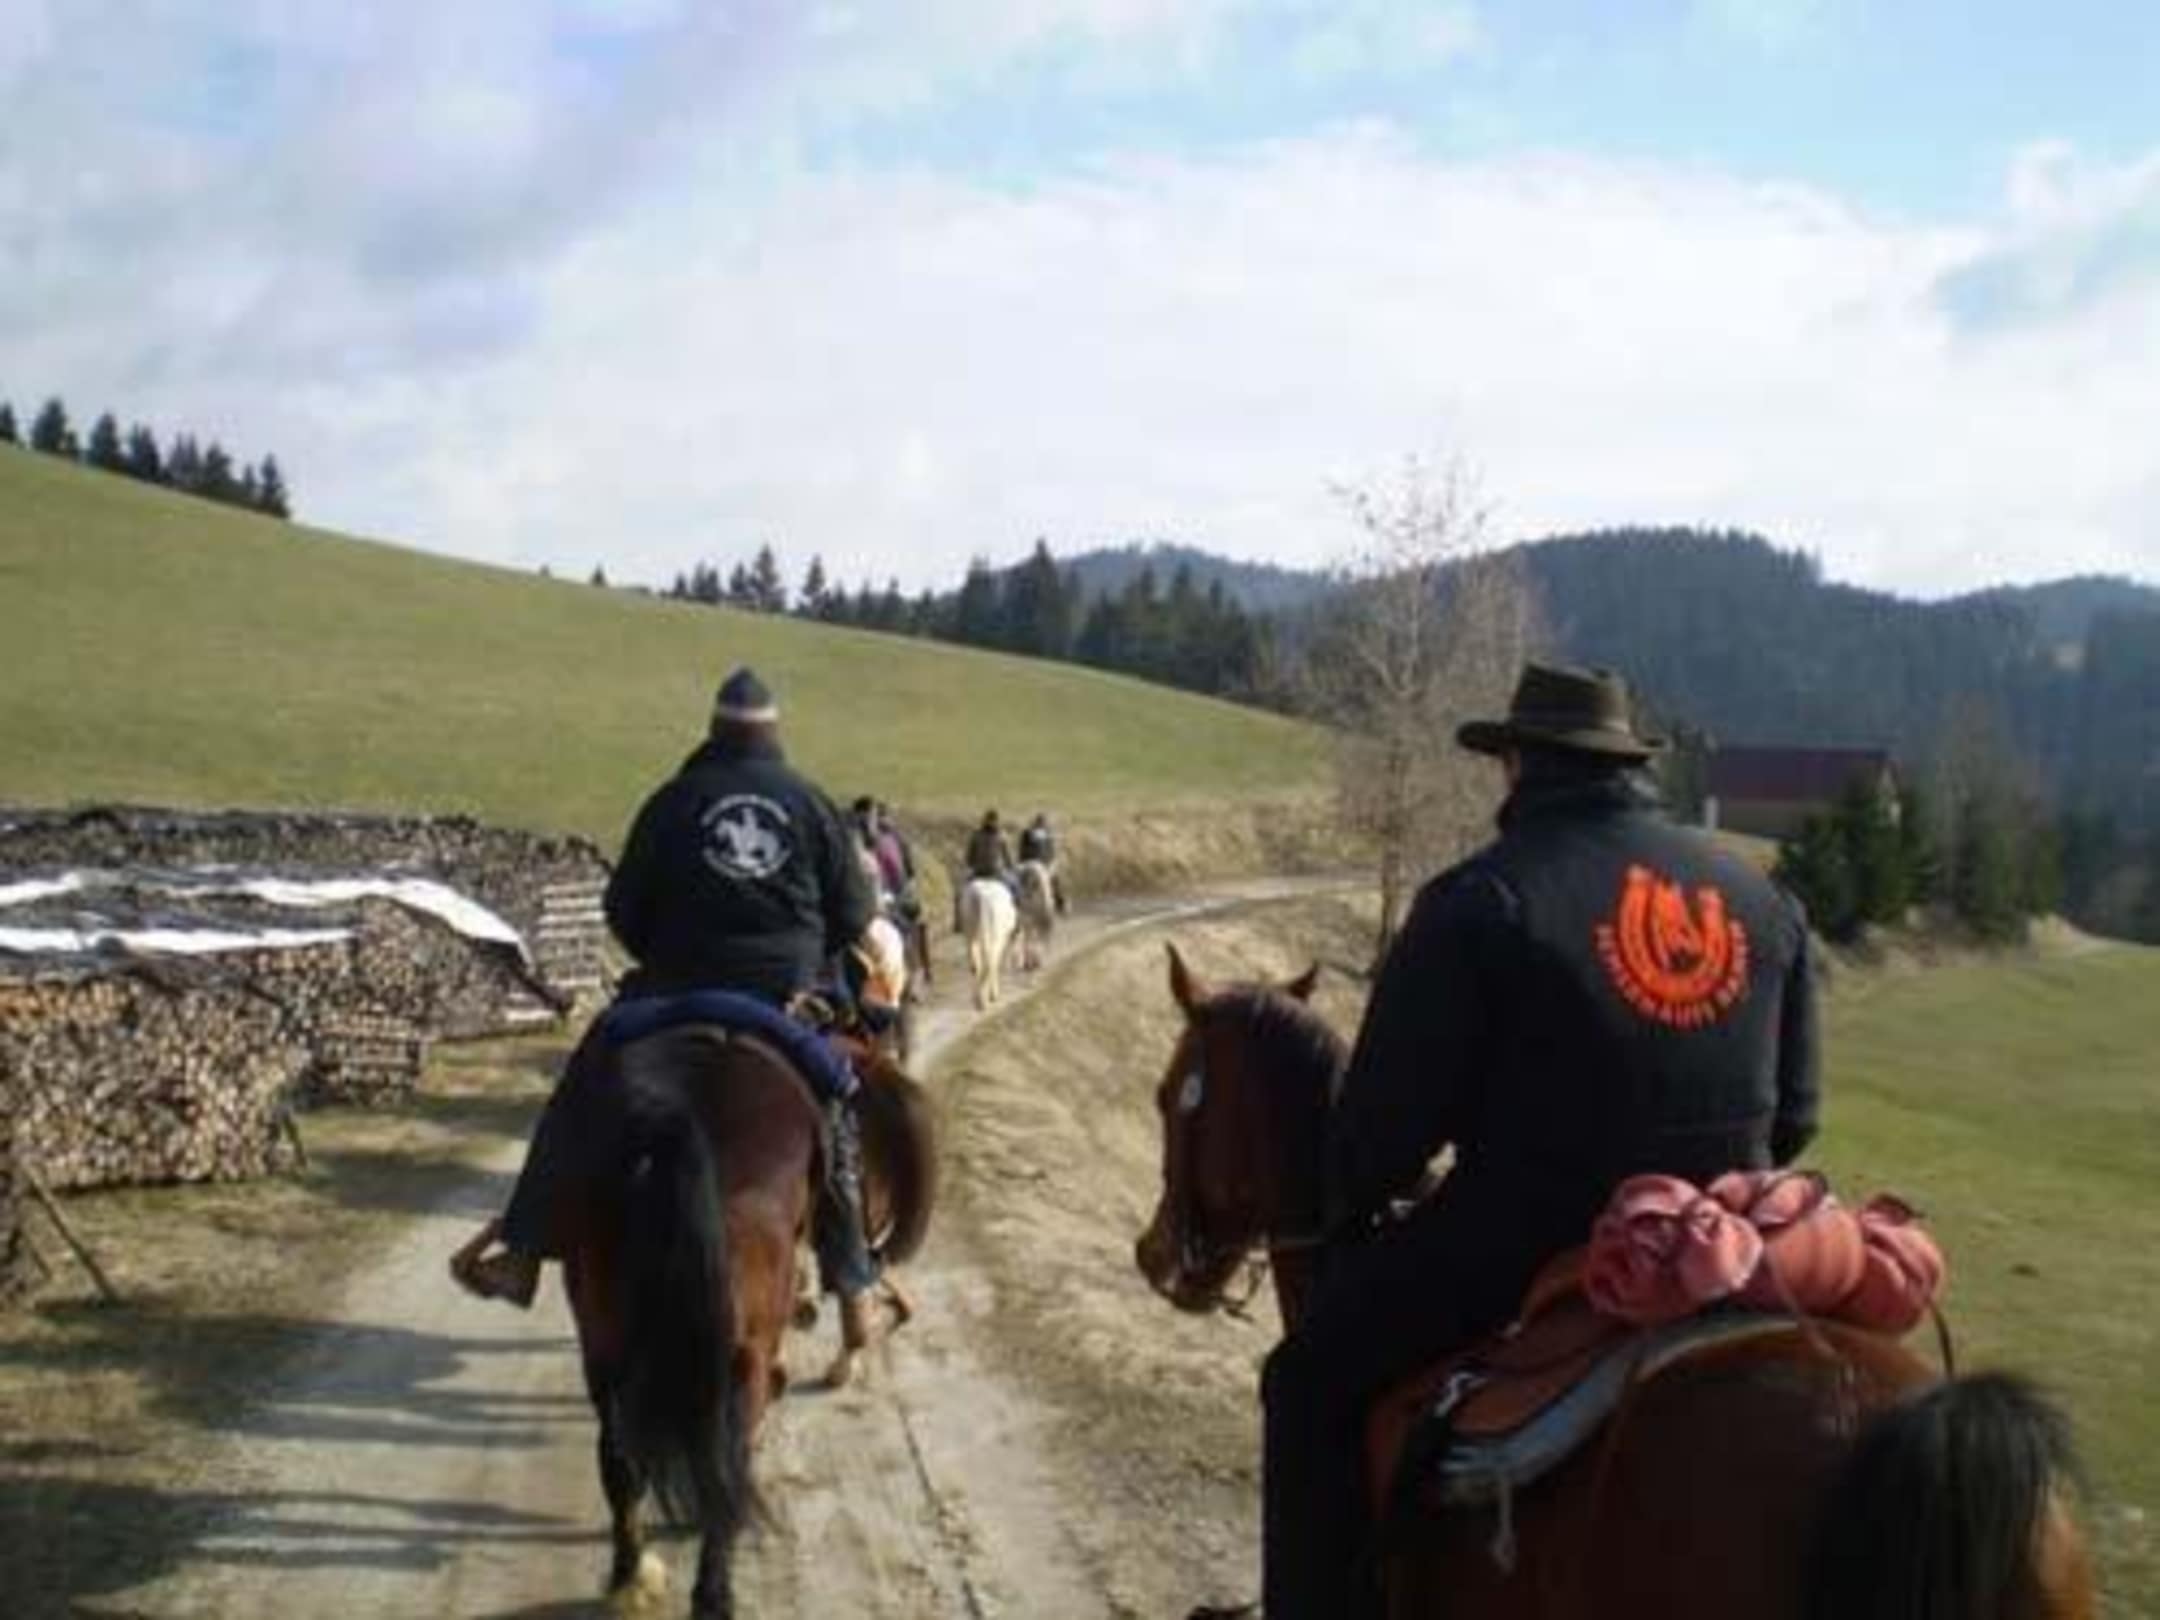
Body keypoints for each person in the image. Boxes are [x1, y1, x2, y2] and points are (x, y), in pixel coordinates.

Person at [1205, 662, 1819, 1620]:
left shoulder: (1480, 900)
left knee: (1305, 1382)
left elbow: (1380, 1142)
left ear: (1519, 764)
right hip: (1722, 1242)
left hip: (1523, 1243)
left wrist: (1353, 1201)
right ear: (1627, 766)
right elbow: (1795, 1119)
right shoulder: (1762, 901)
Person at [450, 667, 885, 1345]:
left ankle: (525, 1252)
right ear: (774, 736)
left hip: (674, 993)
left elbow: (623, 909)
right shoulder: (811, 804)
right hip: (783, 1001)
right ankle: (854, 1285)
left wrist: (668, 955)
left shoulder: (673, 800)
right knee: (837, 1112)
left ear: (712, 733)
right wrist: (802, 962)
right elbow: (856, 913)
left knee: (579, 1089)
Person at [1017, 811, 1068, 913]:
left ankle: (1018, 902)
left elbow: (1022, 851)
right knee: (1055, 881)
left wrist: (1021, 862)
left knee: (1020, 881)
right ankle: (1060, 904)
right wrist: (1051, 864)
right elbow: (1051, 852)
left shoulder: (1027, 833)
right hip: (1040, 864)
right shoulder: (1046, 834)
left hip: (1031, 863)